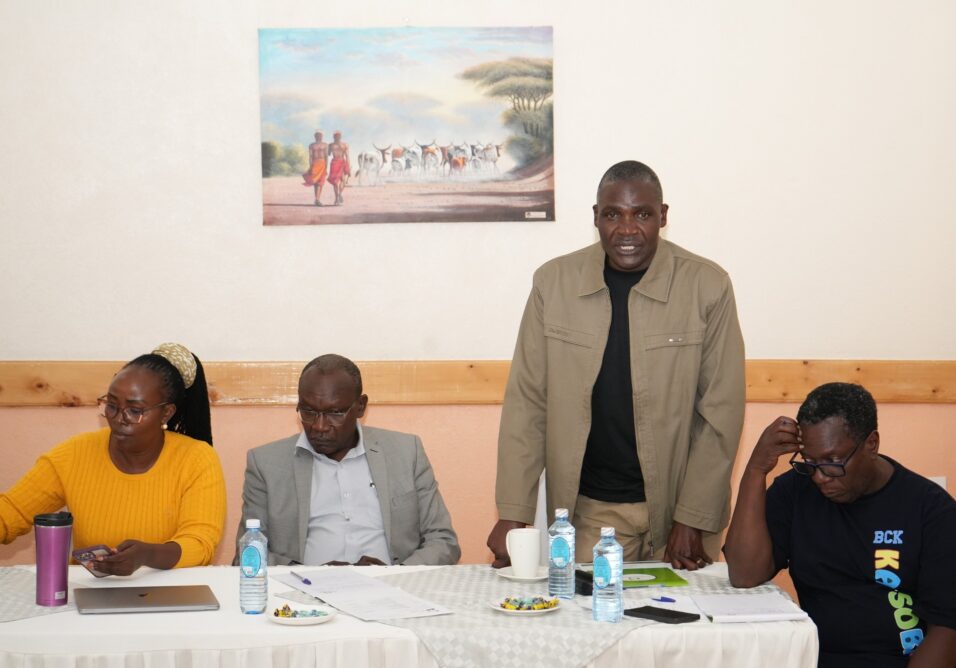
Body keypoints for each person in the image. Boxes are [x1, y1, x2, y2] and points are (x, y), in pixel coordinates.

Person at [487, 160, 745, 570]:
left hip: (680, 511)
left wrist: (693, 517)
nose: (627, 230)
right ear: (596, 217)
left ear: (662, 216)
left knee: (684, 613)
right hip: (593, 512)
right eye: (613, 215)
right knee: (586, 610)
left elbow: (720, 413)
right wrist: (514, 512)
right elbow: (527, 403)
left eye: (642, 215)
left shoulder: (707, 285)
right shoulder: (554, 283)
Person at [724, 383, 956, 668]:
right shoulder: (795, 492)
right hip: (834, 667)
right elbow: (744, 574)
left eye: (833, 461)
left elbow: (949, 630)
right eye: (810, 462)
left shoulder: (931, 509)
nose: (820, 477)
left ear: (871, 443)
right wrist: (756, 469)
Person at [0, 343, 226, 576]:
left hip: (171, 591)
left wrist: (146, 555)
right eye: (112, 405)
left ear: (166, 413)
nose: (119, 418)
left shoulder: (196, 459)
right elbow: (11, 513)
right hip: (90, 589)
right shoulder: (74, 454)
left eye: (135, 411)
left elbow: (200, 543)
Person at [238, 354, 460, 566]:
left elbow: (443, 541)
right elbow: (247, 553)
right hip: (306, 587)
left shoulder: (406, 452)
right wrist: (312, 575)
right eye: (308, 412)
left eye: (335, 413)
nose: (319, 426)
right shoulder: (265, 463)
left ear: (360, 406)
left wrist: (395, 574)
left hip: (392, 585)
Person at [302, 130, 329, 206]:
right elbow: (310, 156)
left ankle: (317, 199)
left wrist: (326, 166)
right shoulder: (312, 145)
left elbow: (326, 156)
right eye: (317, 135)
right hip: (315, 163)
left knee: (321, 182)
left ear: (322, 136)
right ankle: (317, 199)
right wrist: (311, 166)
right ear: (315, 136)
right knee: (316, 182)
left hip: (322, 164)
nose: (319, 137)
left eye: (320, 135)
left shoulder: (325, 145)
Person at [327, 131, 351, 206]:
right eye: (336, 136)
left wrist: (348, 165)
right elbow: (328, 154)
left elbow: (347, 156)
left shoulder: (343, 145)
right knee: (336, 181)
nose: (337, 138)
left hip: (341, 163)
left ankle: (338, 195)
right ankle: (337, 197)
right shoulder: (332, 145)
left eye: (338, 136)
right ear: (334, 137)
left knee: (342, 180)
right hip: (335, 163)